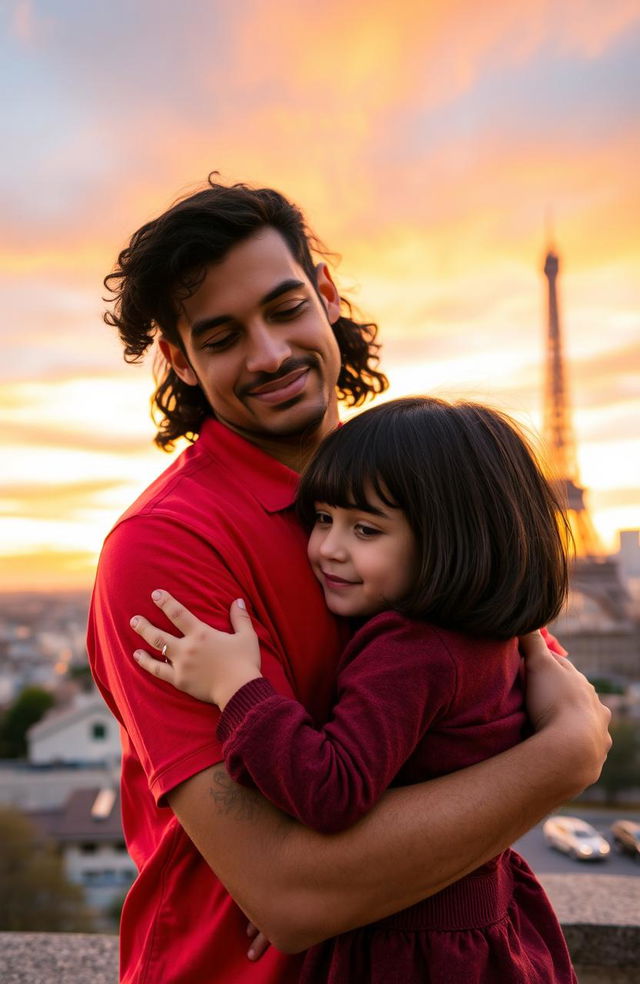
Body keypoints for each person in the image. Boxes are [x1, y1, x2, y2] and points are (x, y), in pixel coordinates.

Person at [87, 175, 611, 984]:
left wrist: (564, 732)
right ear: (178, 360)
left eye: (285, 307)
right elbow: (293, 896)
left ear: (325, 294)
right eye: (221, 337)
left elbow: (511, 677)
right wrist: (567, 759)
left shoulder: (414, 479)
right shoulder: (163, 549)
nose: (268, 355)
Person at [131, 396, 579, 983]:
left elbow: (330, 789)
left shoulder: (410, 651)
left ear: (451, 537)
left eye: (365, 529)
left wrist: (237, 687)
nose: (327, 548)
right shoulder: (486, 638)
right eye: (321, 518)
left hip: (413, 951)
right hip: (469, 921)